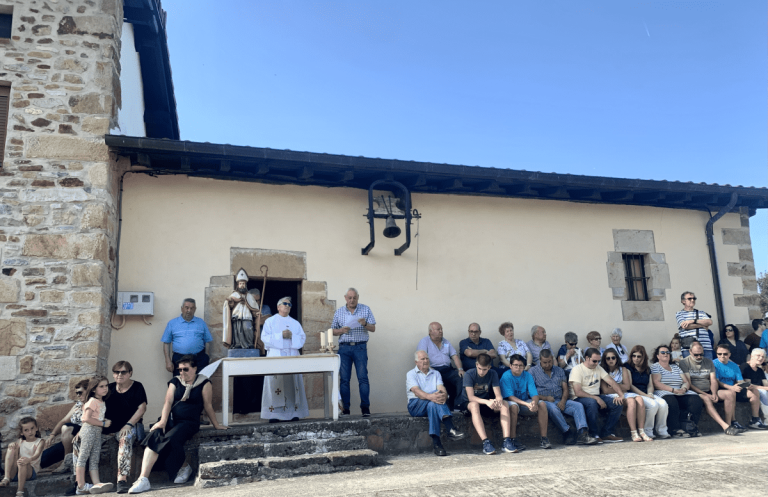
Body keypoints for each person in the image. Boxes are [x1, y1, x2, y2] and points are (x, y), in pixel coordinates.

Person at [128, 355, 227, 494]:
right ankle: (143, 479)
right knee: (155, 435)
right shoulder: (175, 381)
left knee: (171, 439)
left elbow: (208, 405)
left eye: (185, 369)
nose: (182, 372)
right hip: (171, 419)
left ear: (195, 368)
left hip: (189, 422)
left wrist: (216, 424)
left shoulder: (204, 383)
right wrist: (162, 421)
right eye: (179, 370)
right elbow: (168, 402)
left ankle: (185, 466)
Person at [529, 349, 597, 445]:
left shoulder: (559, 370)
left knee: (578, 406)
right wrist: (545, 398)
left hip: (560, 399)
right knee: (553, 408)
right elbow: (530, 392)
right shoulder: (533, 372)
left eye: (550, 361)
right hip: (545, 401)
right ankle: (567, 432)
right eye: (545, 362)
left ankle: (583, 433)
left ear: (552, 359)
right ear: (540, 360)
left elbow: (565, 389)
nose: (548, 364)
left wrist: (563, 401)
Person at [406, 350, 466, 456]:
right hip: (415, 405)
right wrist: (431, 396)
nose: (425, 361)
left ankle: (437, 444)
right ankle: (450, 428)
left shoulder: (436, 373)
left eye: (427, 358)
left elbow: (441, 388)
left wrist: (444, 395)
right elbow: (416, 392)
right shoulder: (411, 374)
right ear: (416, 362)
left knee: (432, 405)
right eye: (422, 359)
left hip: (431, 403)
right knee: (433, 400)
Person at [259, 297, 309, 422]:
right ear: (278, 307)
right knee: (275, 386)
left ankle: (293, 413)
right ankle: (274, 415)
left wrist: (292, 336)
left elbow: (302, 339)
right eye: (284, 304)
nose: (287, 306)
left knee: (292, 385)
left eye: (289, 304)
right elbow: (264, 337)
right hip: (276, 357)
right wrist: (280, 335)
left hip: (292, 356)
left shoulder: (295, 323)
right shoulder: (270, 321)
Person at [331, 287, 377, 417]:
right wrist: (341, 331)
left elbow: (373, 328)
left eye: (354, 298)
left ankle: (365, 408)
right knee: (344, 379)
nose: (352, 300)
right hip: (344, 348)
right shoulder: (339, 312)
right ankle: (346, 409)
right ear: (345, 298)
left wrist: (365, 324)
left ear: (358, 298)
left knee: (363, 378)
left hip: (360, 347)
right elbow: (332, 330)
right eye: (349, 298)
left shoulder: (365, 309)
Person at [104, 361, 148, 493]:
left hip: (127, 427)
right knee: (79, 440)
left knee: (125, 438)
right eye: (116, 372)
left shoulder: (137, 387)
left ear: (130, 373)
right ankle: (78, 481)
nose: (119, 375)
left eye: (123, 372)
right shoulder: (108, 388)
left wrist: (129, 424)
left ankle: (121, 480)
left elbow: (142, 408)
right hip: (107, 428)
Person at [458, 353, 515, 455]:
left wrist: (498, 401)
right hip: (468, 403)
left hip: (486, 402)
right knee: (475, 405)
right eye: (479, 368)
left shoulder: (493, 374)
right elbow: (471, 397)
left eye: (484, 369)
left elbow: (498, 394)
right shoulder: (469, 374)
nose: (481, 372)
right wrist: (488, 402)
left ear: (489, 367)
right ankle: (486, 442)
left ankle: (506, 441)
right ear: (476, 365)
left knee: (505, 404)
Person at [678, 341, 738, 436]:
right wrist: (706, 394)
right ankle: (724, 426)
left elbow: (713, 380)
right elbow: (688, 383)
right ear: (690, 351)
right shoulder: (684, 362)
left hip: (709, 390)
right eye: (696, 354)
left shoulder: (708, 361)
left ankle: (729, 424)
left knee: (730, 394)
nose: (699, 357)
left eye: (701, 354)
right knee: (706, 399)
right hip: (695, 392)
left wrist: (714, 393)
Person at [568, 348, 625, 443]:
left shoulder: (598, 368)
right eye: (594, 361)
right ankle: (594, 434)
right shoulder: (577, 370)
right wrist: (596, 398)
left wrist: (621, 395)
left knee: (617, 403)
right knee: (592, 403)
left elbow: (611, 381)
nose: (597, 363)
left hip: (595, 396)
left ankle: (607, 433)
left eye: (598, 361)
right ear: (587, 358)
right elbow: (577, 392)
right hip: (579, 398)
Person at [651, 344, 705, 438]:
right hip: (665, 391)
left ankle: (690, 427)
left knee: (695, 399)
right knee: (671, 400)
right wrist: (673, 390)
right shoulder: (655, 367)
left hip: (680, 391)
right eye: (662, 352)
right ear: (657, 356)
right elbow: (656, 383)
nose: (665, 354)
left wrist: (684, 388)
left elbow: (685, 381)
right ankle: (674, 429)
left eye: (668, 352)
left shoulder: (675, 367)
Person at [500, 354, 551, 450]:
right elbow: (510, 397)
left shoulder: (527, 375)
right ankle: (512, 439)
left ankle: (544, 438)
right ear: (510, 366)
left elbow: (534, 394)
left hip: (524, 402)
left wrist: (534, 403)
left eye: (520, 366)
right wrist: (527, 404)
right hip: (510, 403)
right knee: (514, 406)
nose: (518, 368)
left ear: (524, 366)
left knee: (542, 404)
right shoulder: (506, 376)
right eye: (515, 365)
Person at [600, 349, 651, 442]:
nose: (611, 360)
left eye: (613, 357)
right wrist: (619, 387)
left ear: (616, 358)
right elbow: (605, 389)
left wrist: (612, 385)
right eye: (608, 358)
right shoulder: (602, 370)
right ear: (604, 359)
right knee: (631, 401)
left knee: (639, 399)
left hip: (624, 393)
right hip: (610, 395)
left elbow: (627, 386)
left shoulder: (622, 369)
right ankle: (634, 433)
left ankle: (642, 431)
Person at [38, 380, 88, 475]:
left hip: (82, 435)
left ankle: (66, 462)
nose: (78, 395)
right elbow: (64, 420)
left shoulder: (95, 404)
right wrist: (52, 434)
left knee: (66, 428)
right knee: (43, 458)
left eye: (80, 392)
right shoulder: (78, 404)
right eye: (76, 393)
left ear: (88, 391)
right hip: (69, 439)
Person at [74, 376, 113, 494]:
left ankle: (97, 483)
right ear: (94, 389)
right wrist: (103, 423)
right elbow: (86, 418)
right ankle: (80, 486)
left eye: (106, 385)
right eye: (101, 386)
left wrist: (101, 421)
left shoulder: (101, 401)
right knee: (83, 456)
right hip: (89, 430)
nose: (105, 388)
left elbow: (95, 416)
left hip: (97, 432)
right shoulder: (92, 401)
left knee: (95, 458)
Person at [714, 344, 765, 431]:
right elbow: (716, 381)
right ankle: (732, 423)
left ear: (729, 354)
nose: (722, 356)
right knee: (731, 393)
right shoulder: (713, 363)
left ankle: (755, 420)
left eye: (725, 354)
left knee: (754, 391)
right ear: (716, 354)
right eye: (719, 354)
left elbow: (740, 381)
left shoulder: (734, 365)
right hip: (720, 390)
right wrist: (731, 388)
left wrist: (747, 385)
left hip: (734, 388)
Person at [416, 322, 465, 410]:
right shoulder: (424, 342)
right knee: (439, 382)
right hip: (432, 370)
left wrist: (460, 369)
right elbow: (421, 358)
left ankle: (458, 406)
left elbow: (455, 356)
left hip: (447, 370)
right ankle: (443, 408)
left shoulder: (446, 342)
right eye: (438, 329)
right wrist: (430, 370)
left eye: (441, 329)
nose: (441, 331)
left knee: (461, 377)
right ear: (430, 331)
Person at [625, 345, 670, 439]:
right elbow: (630, 385)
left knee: (663, 404)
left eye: (639, 356)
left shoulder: (647, 368)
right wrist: (645, 395)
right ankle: (647, 430)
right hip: (635, 394)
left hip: (646, 393)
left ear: (643, 357)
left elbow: (650, 384)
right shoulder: (627, 367)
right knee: (653, 405)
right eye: (634, 356)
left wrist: (650, 393)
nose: (636, 359)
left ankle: (661, 430)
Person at [162, 298, 213, 376]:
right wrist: (168, 361)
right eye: (187, 307)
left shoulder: (201, 322)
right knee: (180, 385)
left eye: (192, 308)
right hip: (179, 359)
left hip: (199, 359)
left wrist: (207, 357)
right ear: (182, 308)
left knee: (201, 384)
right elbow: (166, 343)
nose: (189, 310)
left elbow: (208, 341)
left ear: (195, 309)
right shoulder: (172, 323)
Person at [223, 268, 270, 352]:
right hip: (236, 316)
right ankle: (237, 344)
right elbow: (229, 304)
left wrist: (256, 314)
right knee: (237, 330)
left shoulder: (249, 296)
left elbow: (254, 307)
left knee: (248, 328)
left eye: (243, 284)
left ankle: (249, 344)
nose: (242, 285)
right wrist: (230, 302)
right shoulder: (234, 294)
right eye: (240, 283)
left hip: (247, 316)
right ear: (238, 284)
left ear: (246, 285)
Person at [1, 417, 44, 496]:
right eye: (26, 430)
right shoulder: (21, 441)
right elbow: (15, 453)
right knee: (11, 448)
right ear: (21, 432)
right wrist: (12, 445)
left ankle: (20, 491)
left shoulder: (40, 441)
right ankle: (6, 478)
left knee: (22, 461)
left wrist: (28, 459)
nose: (30, 432)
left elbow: (37, 454)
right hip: (15, 473)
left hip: (30, 472)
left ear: (36, 428)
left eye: (32, 428)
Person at [676, 291, 713, 359]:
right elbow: (686, 326)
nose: (692, 300)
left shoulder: (701, 313)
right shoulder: (680, 314)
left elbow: (710, 322)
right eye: (689, 298)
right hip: (688, 348)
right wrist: (702, 325)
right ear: (683, 301)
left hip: (705, 347)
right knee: (691, 369)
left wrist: (692, 321)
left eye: (694, 298)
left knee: (708, 369)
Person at [741, 348, 768, 421]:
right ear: (752, 356)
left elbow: (766, 384)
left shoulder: (760, 370)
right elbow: (748, 385)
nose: (761, 358)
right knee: (763, 392)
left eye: (763, 357)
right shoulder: (745, 366)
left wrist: (765, 387)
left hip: (759, 390)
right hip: (746, 391)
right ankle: (766, 418)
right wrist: (765, 388)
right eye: (758, 355)